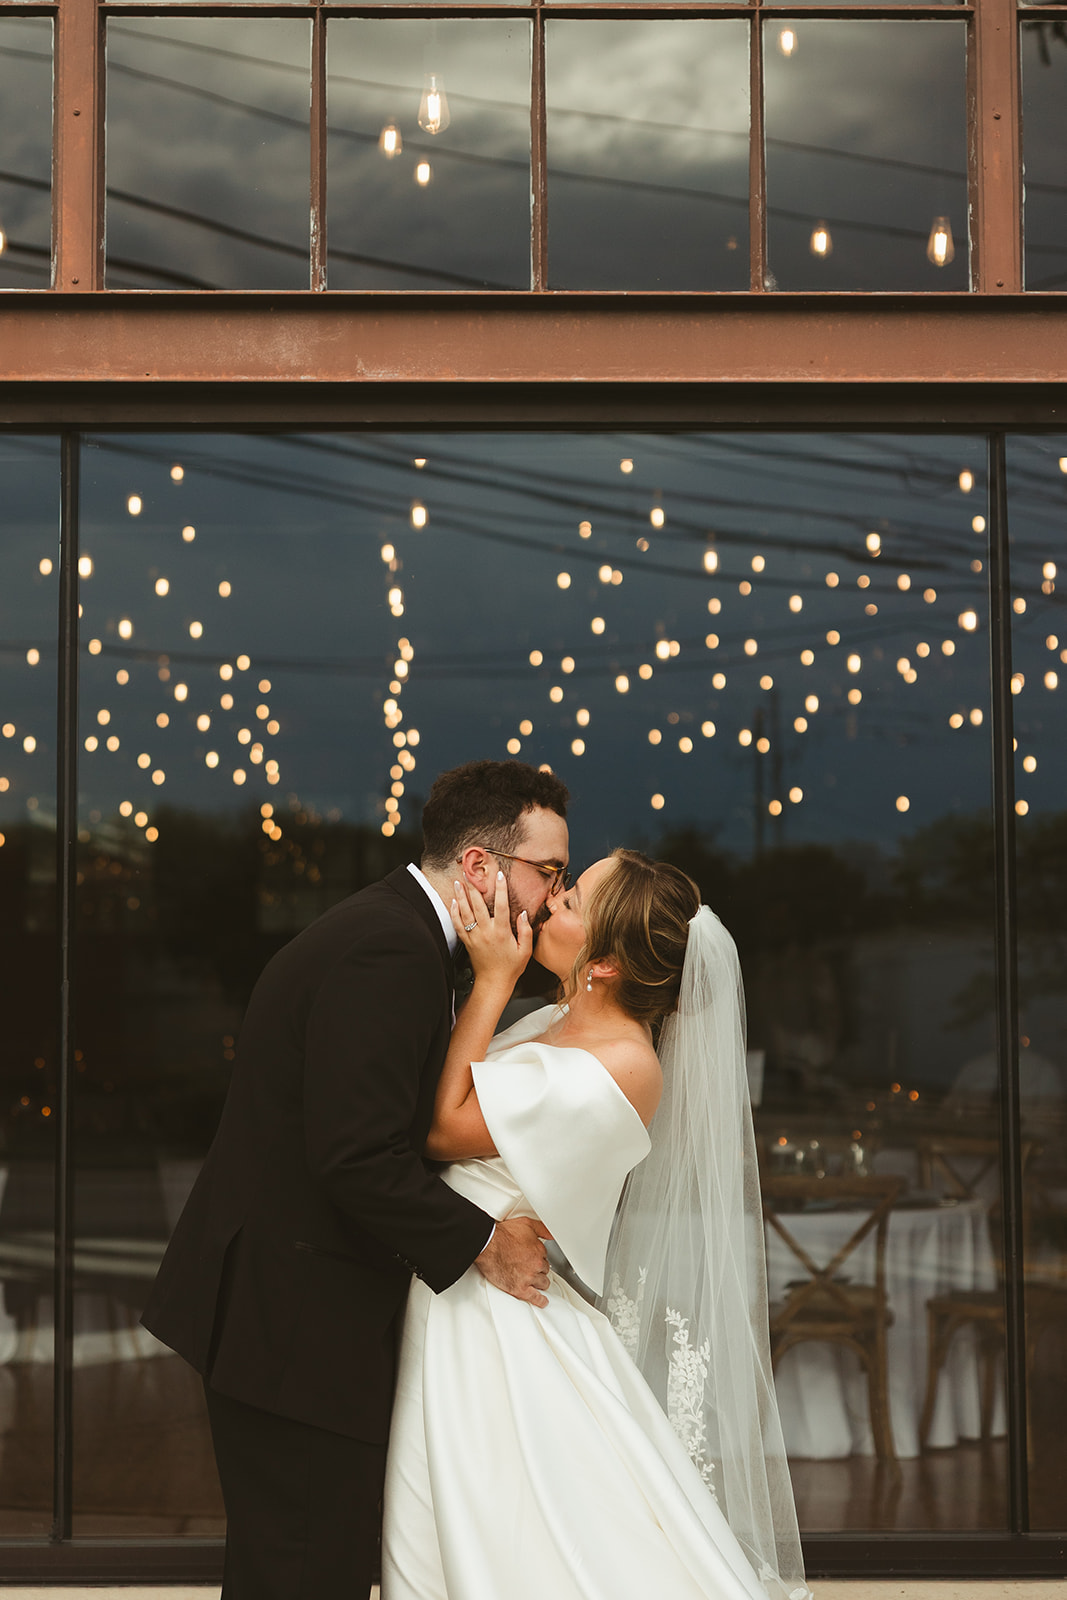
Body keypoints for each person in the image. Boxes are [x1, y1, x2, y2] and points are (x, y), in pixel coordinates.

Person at [141, 759, 570, 1600]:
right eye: (546, 872)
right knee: (304, 1573)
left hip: (295, 1312)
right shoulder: (388, 950)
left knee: (302, 1568)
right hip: (295, 1321)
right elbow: (355, 1155)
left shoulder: (396, 933)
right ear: (480, 866)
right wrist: (485, 1243)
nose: (552, 897)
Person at [382, 848, 810, 1600]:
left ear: (605, 964)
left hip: (490, 1313)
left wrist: (490, 980)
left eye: (571, 901)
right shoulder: (554, 1019)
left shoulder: (623, 1062)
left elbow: (445, 1131)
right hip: (459, 1280)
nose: (547, 906)